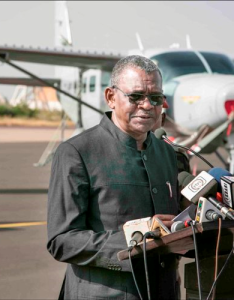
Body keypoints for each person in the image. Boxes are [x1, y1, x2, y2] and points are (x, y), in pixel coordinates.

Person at [47, 55, 180, 299]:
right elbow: (62, 241)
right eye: (136, 96)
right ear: (111, 97)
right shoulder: (77, 153)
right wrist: (134, 240)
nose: (147, 105)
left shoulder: (167, 152)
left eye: (156, 98)